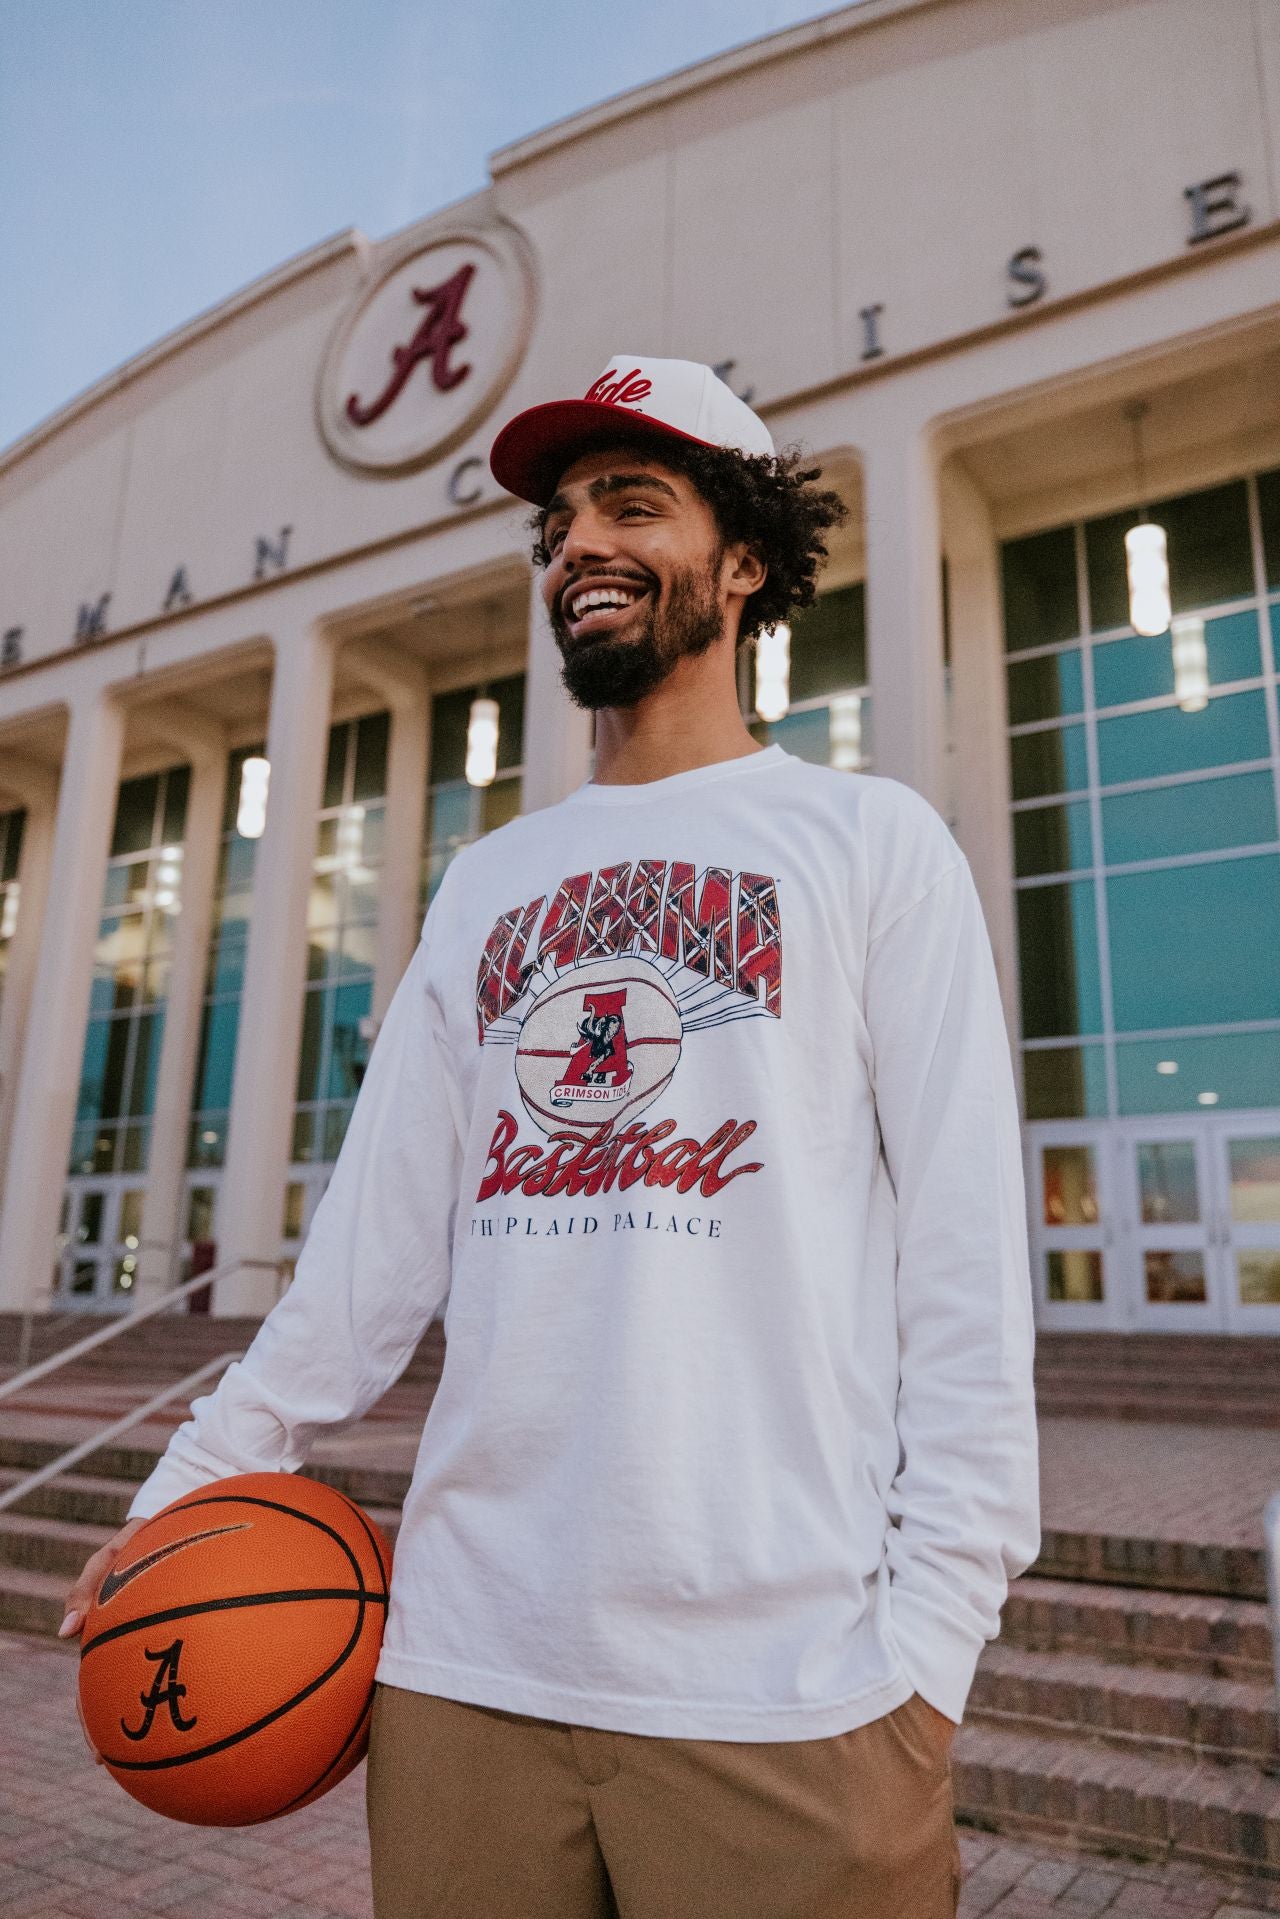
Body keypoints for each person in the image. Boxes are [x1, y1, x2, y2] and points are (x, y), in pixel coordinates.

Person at [63, 355, 1040, 1918]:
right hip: (465, 1678)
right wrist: (188, 1489)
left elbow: (970, 1281)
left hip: (789, 1696)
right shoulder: (489, 883)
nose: (579, 540)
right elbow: (367, 1263)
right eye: (560, 518)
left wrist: (928, 1659)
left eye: (632, 504)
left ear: (742, 564)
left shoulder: (871, 848)